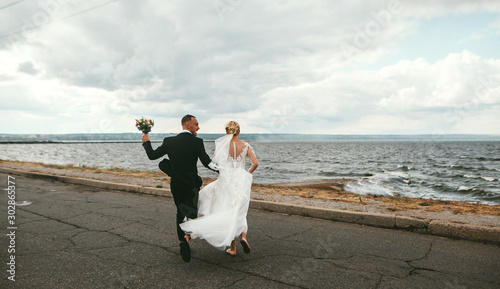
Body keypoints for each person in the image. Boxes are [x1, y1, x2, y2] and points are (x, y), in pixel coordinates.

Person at [142, 114, 216, 262]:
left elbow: (152, 155)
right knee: (191, 213)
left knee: (180, 211)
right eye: (196, 124)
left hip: (176, 184)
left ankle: (183, 240)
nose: (198, 127)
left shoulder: (169, 141)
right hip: (191, 184)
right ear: (188, 125)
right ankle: (186, 239)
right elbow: (207, 163)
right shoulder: (197, 142)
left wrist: (146, 141)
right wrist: (225, 170)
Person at [180, 121, 259, 256]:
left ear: (226, 132)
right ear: (238, 131)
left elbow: (215, 163)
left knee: (227, 209)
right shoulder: (246, 146)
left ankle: (231, 247)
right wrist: (247, 174)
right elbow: (255, 163)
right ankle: (243, 237)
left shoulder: (222, 146)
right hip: (240, 180)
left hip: (226, 181)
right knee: (239, 209)